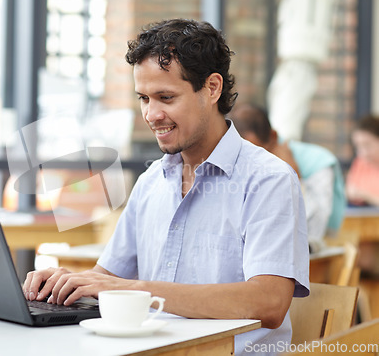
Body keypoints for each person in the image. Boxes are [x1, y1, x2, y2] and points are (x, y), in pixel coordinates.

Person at [23, 19, 309, 355]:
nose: (151, 114)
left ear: (212, 88)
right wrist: (66, 282)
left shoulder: (268, 179)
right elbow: (108, 278)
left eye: (166, 97)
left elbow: (269, 302)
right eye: (144, 98)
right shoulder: (150, 183)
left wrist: (138, 289)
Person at [230, 104, 346, 253]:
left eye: (256, 151)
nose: (251, 161)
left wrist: (295, 177)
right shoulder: (237, 162)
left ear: (273, 137)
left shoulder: (318, 163)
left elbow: (314, 231)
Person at [346, 115, 379, 207]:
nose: (362, 152)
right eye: (357, 146)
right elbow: (349, 190)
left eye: (367, 145)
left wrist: (366, 195)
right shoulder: (360, 162)